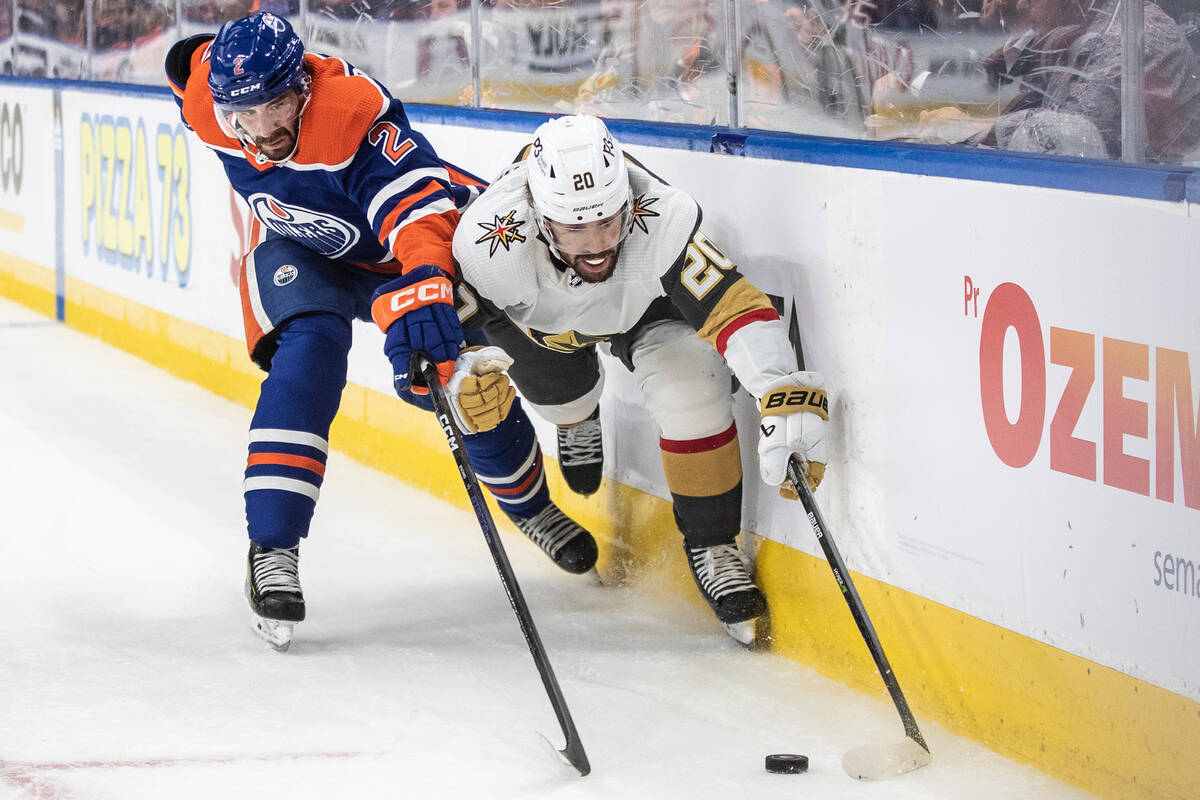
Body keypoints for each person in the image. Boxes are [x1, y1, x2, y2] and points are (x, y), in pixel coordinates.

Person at [164, 12, 597, 650]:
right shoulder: (207, 100)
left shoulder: (351, 111)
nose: (260, 130)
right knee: (307, 356)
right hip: (307, 251)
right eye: (242, 114)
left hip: (408, 249)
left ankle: (535, 498)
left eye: (276, 105)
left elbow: (418, 208)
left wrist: (426, 279)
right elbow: (185, 63)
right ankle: (273, 548)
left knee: (472, 374)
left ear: (303, 86)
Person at [449, 114, 829, 645]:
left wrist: (778, 387)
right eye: (575, 227)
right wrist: (456, 374)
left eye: (608, 220)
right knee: (563, 400)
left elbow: (731, 304)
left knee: (694, 393)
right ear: (537, 215)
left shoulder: (663, 214)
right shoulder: (490, 245)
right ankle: (579, 415)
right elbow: (452, 334)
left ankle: (712, 543)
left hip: (647, 310)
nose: (598, 244)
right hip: (543, 322)